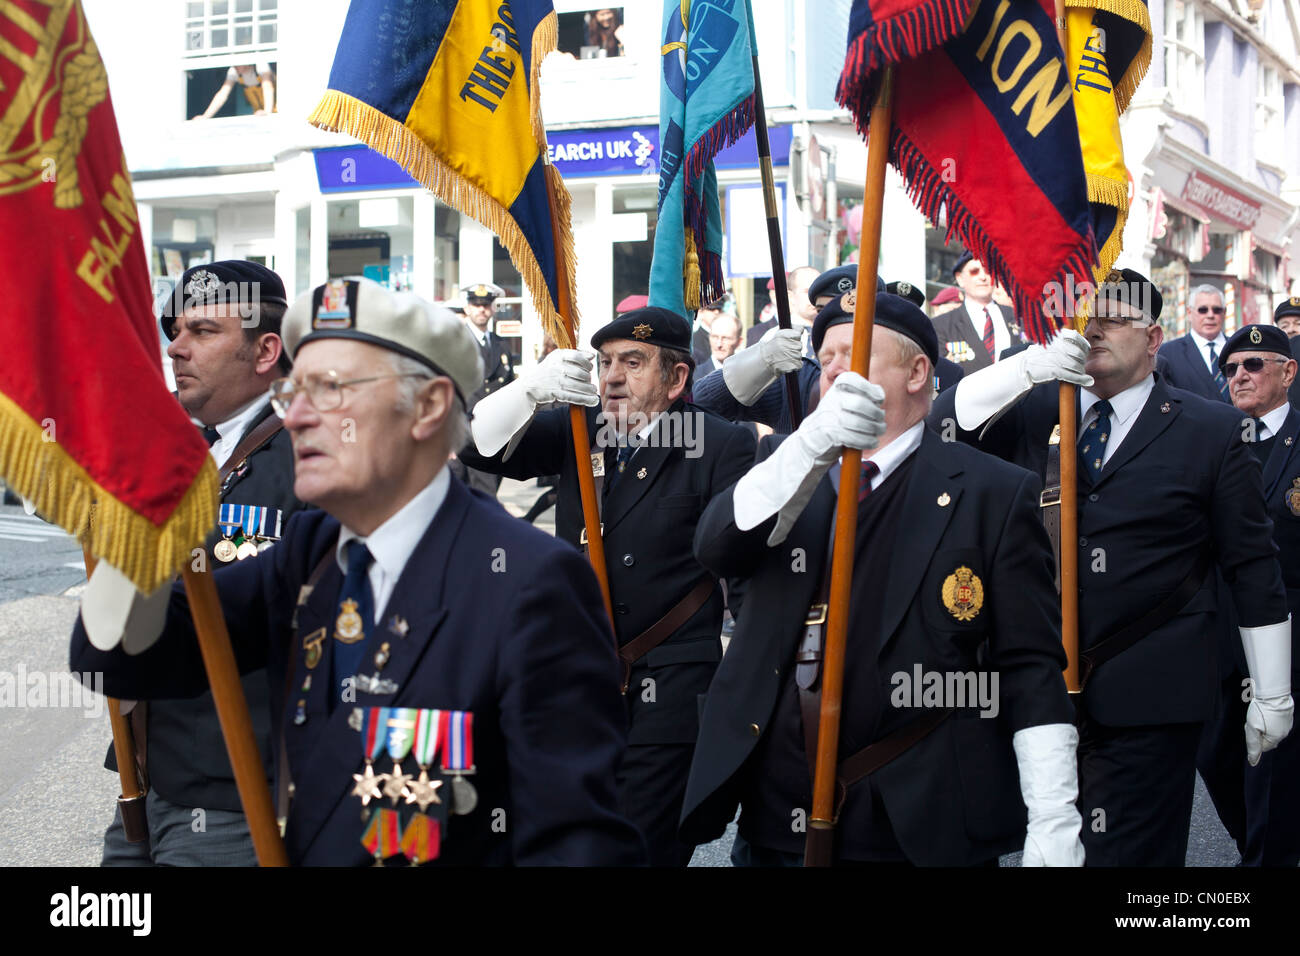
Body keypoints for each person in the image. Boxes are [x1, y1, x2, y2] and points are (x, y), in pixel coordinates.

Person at [71, 278, 644, 866]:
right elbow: (129, 653)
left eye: (330, 389)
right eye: (293, 391)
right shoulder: (313, 550)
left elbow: (576, 842)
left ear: (427, 406)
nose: (295, 416)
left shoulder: (529, 581)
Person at [681, 292, 1082, 866]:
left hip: (918, 822)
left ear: (918, 372)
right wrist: (811, 445)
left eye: (857, 351)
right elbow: (717, 545)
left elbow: (1029, 665)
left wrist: (1054, 819)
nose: (837, 367)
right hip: (778, 819)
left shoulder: (991, 490)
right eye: (826, 357)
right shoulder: (789, 468)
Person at [931, 268, 1293, 865]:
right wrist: (1028, 366)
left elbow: (1252, 564)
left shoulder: (1211, 429)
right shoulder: (1038, 401)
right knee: (1045, 850)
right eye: (1084, 315)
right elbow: (946, 427)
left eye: (1116, 318)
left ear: (1153, 339)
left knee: (1131, 859)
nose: (1095, 326)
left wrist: (1272, 691)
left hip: (1152, 691)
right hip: (1037, 688)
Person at [460, 306, 756, 865]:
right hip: (575, 680)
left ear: (676, 379)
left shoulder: (719, 444)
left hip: (666, 688)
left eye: (633, 362)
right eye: (605, 362)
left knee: (639, 850)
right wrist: (530, 391)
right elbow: (478, 447)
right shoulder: (580, 428)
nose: (612, 376)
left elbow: (738, 555)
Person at [91, 260, 302, 867]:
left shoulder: (315, 460)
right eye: (174, 332)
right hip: (151, 778)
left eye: (203, 332)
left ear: (266, 350)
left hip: (241, 795)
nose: (176, 350)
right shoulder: (177, 450)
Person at [1197, 323, 1300, 866]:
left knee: (1274, 775)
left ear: (1288, 371)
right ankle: (1252, 851)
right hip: (1217, 633)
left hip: (1288, 633)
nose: (1239, 375)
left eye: (1254, 365)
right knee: (1216, 760)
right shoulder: (1213, 441)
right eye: (1231, 368)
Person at [694, 267, 962, 434]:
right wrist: (761, 360)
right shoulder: (798, 381)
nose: (838, 322)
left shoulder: (896, 375)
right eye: (824, 312)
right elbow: (700, 405)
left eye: (855, 312)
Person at [450, 281, 515, 497]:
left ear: (493, 308)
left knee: (487, 490)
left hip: (494, 432)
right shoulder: (455, 343)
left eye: (486, 305)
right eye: (476, 304)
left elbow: (507, 390)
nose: (481, 309)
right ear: (467, 308)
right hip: (462, 433)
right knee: (467, 496)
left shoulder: (501, 344)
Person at [931, 250, 1025, 371]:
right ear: (960, 279)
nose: (983, 277)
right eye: (974, 271)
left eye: (988, 270)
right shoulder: (941, 325)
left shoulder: (1018, 318)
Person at [1158, 283, 1231, 403]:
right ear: (1189, 313)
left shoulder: (1239, 349)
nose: (1210, 315)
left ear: (1224, 312)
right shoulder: (1167, 354)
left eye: (1216, 310)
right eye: (1203, 310)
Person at [193, 63, 275, 118]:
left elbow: (268, 88)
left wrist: (267, 112)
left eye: (238, 63)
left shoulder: (261, 66)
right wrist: (205, 116)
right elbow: (222, 94)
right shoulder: (233, 72)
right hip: (259, 112)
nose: (235, 65)